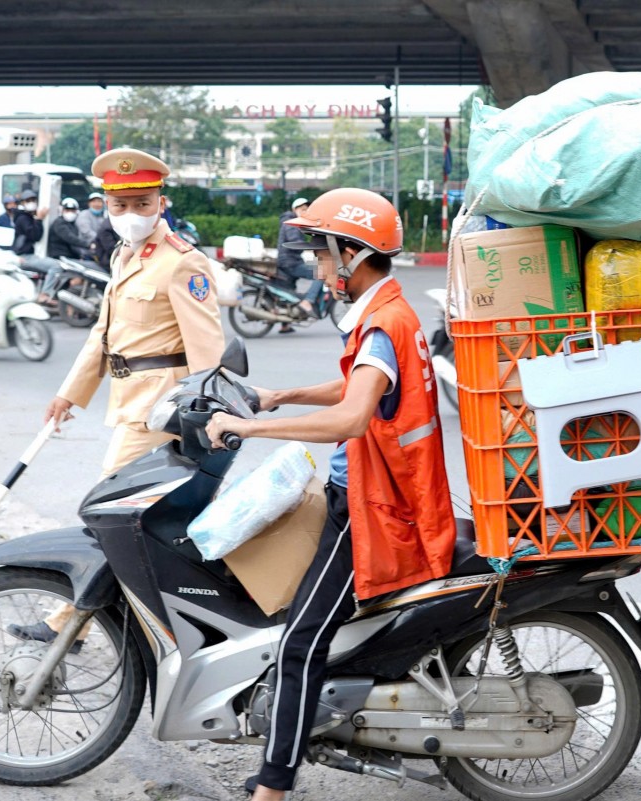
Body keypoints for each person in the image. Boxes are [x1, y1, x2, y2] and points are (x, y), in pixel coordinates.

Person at [206, 188, 456, 800]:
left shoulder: (382, 326)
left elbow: (351, 419)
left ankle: (273, 786)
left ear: (352, 253)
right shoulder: (388, 313)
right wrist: (279, 395)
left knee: (300, 640)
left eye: (322, 253)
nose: (317, 266)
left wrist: (249, 426)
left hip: (371, 510)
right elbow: (354, 388)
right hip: (371, 492)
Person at [6, 147, 225, 649]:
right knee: (152, 525)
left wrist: (203, 419)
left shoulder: (181, 264)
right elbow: (102, 339)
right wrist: (69, 394)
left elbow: (208, 354)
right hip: (132, 404)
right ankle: (164, 624)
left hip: (161, 414)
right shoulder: (124, 256)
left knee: (108, 513)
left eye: (141, 204)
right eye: (118, 206)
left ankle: (70, 622)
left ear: (162, 204)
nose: (129, 216)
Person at [274, 197, 326, 334]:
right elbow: (295, 242)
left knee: (288, 292)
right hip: (290, 262)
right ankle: (308, 301)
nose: (305, 212)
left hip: (286, 262)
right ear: (294, 210)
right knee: (323, 271)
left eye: (307, 210)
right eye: (302, 209)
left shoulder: (290, 222)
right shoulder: (292, 223)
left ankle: (285, 325)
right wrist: (313, 247)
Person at [10, 188, 63, 306]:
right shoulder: (23, 218)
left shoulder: (27, 216)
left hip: (30, 255)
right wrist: (39, 219)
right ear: (22, 203)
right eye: (28, 200)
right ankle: (45, 295)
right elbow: (35, 235)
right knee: (55, 266)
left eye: (33, 200)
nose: (31, 202)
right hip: (24, 256)